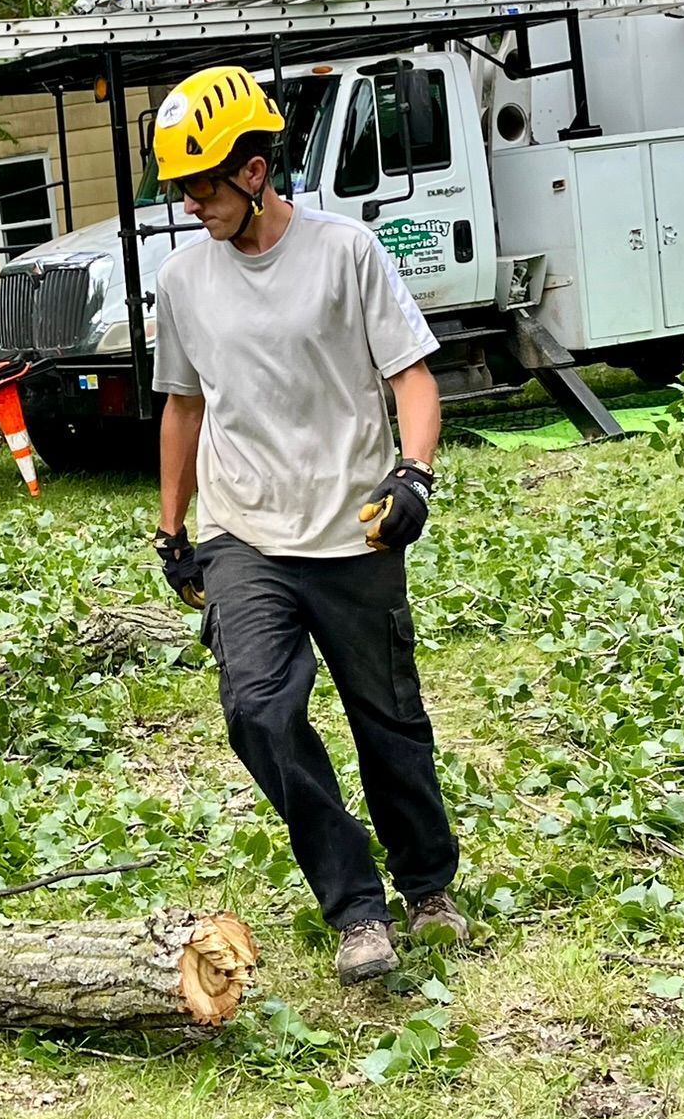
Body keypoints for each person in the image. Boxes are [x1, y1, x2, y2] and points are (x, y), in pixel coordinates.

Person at [148, 63, 465, 985]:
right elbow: (182, 405)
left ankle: (427, 882)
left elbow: (411, 375)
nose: (191, 203)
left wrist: (415, 475)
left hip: (352, 527)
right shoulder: (183, 280)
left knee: (388, 720)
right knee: (257, 710)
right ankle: (355, 906)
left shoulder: (345, 253)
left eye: (203, 184)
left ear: (254, 170)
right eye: (181, 188)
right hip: (245, 532)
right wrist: (174, 531)